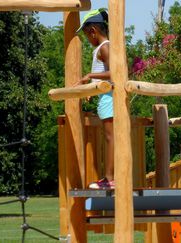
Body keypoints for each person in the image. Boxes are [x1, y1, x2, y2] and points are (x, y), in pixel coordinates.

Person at [76, 8, 114, 189]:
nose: (88, 40)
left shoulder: (105, 47)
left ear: (93, 31)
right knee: (109, 137)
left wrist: (89, 76)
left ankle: (109, 179)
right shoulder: (103, 47)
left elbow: (114, 73)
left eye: (86, 35)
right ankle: (109, 178)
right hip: (104, 97)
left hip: (109, 97)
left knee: (110, 137)